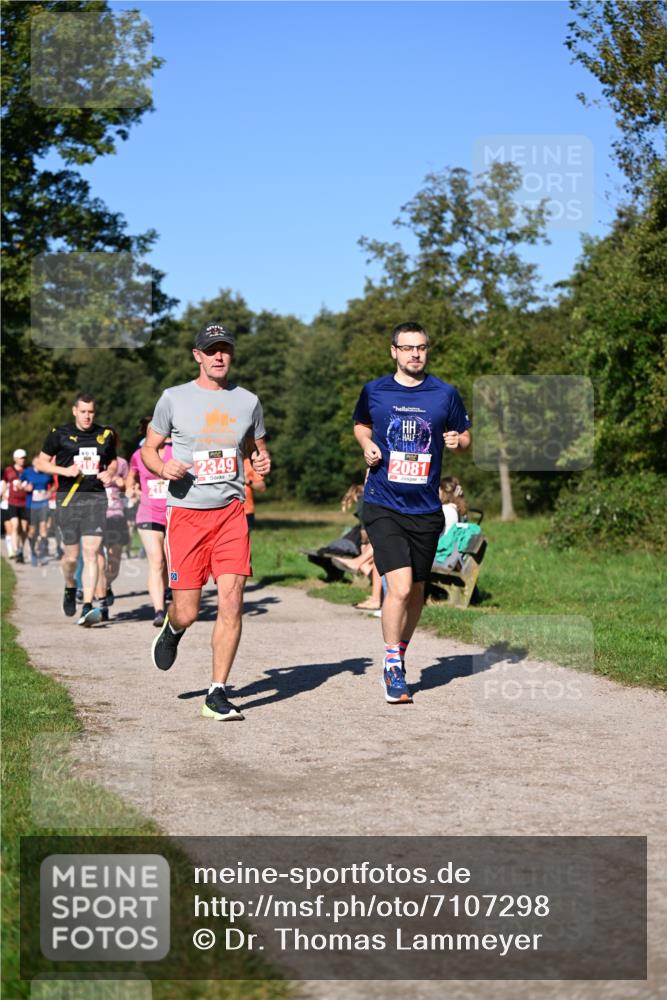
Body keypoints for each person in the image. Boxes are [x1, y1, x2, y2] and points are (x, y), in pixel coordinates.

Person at [142, 322, 271, 721]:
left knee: (232, 601)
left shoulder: (248, 401)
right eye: (211, 349)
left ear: (231, 354)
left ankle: (216, 693)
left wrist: (262, 461)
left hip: (232, 513)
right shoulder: (173, 399)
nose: (219, 356)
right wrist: (163, 467)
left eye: (225, 349)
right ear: (197, 355)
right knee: (189, 611)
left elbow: (256, 448)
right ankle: (174, 628)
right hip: (186, 516)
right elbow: (149, 449)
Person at [352, 321, 471, 704]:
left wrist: (458, 440)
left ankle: (399, 654)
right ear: (394, 352)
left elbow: (465, 436)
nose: (415, 354)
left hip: (426, 508)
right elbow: (360, 425)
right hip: (384, 502)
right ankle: (390, 665)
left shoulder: (444, 394)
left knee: (417, 591)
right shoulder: (375, 390)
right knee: (399, 587)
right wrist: (368, 444)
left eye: (421, 348)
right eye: (407, 348)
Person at [36, 393, 117, 626]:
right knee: (71, 557)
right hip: (68, 499)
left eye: (91, 412)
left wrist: (109, 473)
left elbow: (111, 461)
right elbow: (41, 462)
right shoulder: (58, 434)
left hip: (95, 499)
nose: (87, 416)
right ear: (75, 411)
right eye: (83, 412)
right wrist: (65, 471)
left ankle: (88, 606)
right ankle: (70, 585)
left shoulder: (105, 435)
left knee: (92, 553)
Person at [126, 427, 173, 626]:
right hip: (148, 513)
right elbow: (131, 476)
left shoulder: (176, 450)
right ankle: (159, 611)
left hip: (174, 513)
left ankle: (166, 591)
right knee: (156, 561)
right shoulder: (138, 455)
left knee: (168, 562)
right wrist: (130, 489)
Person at [102, 431, 130, 609]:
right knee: (96, 559)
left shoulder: (122, 463)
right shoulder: (92, 462)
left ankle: (107, 584)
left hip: (117, 515)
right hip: (96, 516)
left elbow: (130, 487)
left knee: (115, 561)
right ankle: (100, 599)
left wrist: (123, 484)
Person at [20, 455, 54, 564]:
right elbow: (19, 484)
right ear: (34, 463)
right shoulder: (27, 472)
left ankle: (43, 554)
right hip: (31, 504)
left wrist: (49, 492)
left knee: (43, 527)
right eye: (37, 462)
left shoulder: (47, 473)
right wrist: (25, 487)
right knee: (32, 530)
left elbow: (53, 484)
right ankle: (33, 552)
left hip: (44, 503)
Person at [2, 449, 30, 562]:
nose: (22, 460)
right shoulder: (8, 470)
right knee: (15, 525)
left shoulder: (28, 470)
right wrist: (3, 493)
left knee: (24, 528)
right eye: (20, 458)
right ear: (15, 459)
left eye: (24, 458)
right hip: (13, 502)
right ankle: (16, 549)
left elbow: (32, 483)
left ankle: (21, 549)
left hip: (25, 502)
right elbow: (4, 483)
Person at [243, 455, 266, 530]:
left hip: (247, 511)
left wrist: (248, 481)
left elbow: (262, 487)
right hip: (228, 510)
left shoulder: (249, 463)